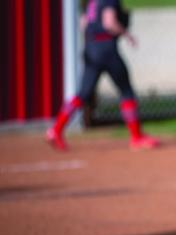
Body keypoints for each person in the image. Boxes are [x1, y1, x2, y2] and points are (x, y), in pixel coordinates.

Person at [46, 0, 158, 151]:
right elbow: (109, 23)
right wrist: (126, 34)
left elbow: (83, 23)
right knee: (126, 91)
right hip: (107, 50)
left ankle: (56, 130)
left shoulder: (92, 2)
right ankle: (136, 137)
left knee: (83, 94)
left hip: (91, 49)